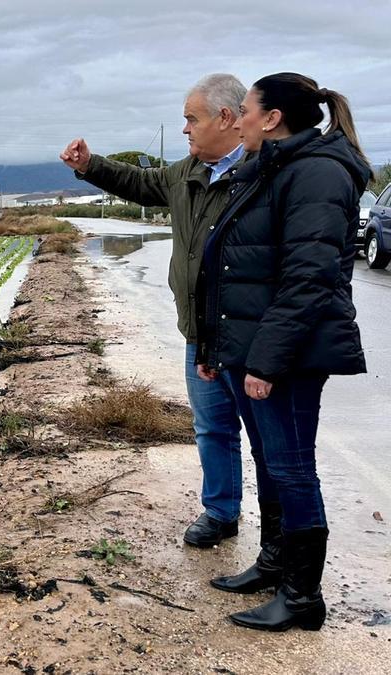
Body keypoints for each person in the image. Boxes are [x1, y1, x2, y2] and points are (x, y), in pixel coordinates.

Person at [196, 72, 369, 631]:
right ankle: (274, 565)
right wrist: (216, 347)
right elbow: (231, 269)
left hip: (289, 354)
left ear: (272, 119)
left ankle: (302, 598)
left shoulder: (316, 173)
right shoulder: (269, 168)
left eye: (245, 109)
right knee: (272, 461)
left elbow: (309, 278)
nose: (239, 118)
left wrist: (267, 361)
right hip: (252, 345)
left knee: (293, 469)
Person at [60, 74, 252, 547]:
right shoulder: (185, 173)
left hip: (249, 332)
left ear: (225, 118)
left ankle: (281, 541)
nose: (185, 129)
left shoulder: (259, 173)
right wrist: (90, 165)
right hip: (200, 333)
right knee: (211, 428)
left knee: (272, 444)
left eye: (192, 118)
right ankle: (221, 512)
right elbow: (138, 182)